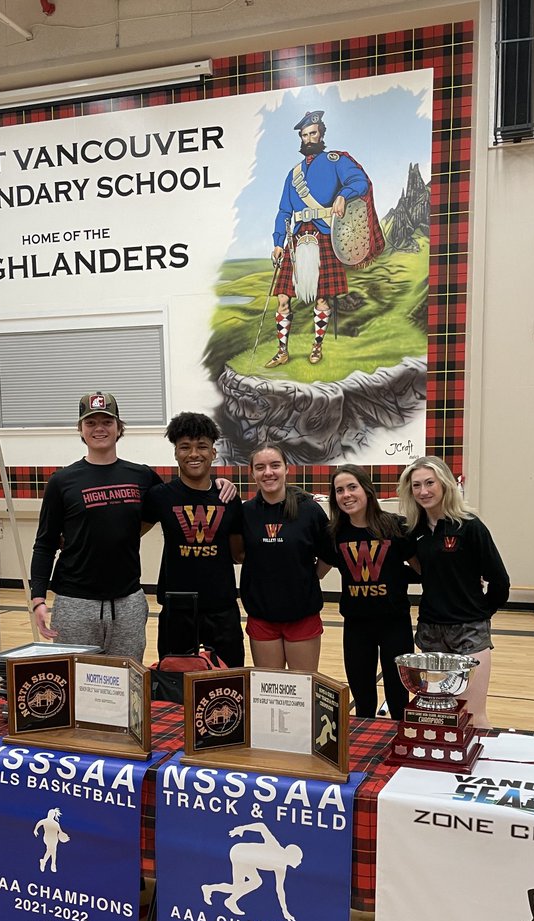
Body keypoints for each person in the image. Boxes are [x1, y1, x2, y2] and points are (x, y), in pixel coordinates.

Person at [29, 392, 162, 657]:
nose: (99, 428)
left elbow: (174, 501)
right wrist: (38, 599)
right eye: (91, 423)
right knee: (78, 682)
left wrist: (217, 485)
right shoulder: (62, 481)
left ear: (119, 427)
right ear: (80, 429)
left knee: (128, 682)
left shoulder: (142, 476)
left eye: (107, 421)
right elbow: (45, 543)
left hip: (128, 603)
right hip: (75, 602)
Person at [265, 109, 384, 369]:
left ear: (321, 134)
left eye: (313, 133)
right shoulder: (293, 173)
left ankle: (317, 346)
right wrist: (277, 242)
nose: (309, 139)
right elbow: (284, 210)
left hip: (325, 235)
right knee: (283, 298)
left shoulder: (336, 160)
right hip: (298, 238)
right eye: (305, 135)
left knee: (321, 299)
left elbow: (360, 181)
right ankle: (282, 350)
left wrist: (344, 194)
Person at [398, 456, 509, 728]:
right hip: (430, 631)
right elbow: (425, 572)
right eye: (416, 486)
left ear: (445, 484)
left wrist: (480, 614)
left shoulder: (469, 526)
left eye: (429, 483)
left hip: (469, 631)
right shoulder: (415, 531)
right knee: (437, 716)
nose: (423, 491)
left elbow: (500, 581)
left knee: (473, 716)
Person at [142, 411, 245, 666]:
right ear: (176, 453)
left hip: (221, 606)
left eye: (202, 446)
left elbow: (237, 554)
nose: (194, 454)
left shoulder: (229, 498)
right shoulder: (160, 496)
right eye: (185, 447)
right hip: (177, 607)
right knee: (175, 683)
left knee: (228, 681)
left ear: (213, 453)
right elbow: (128, 535)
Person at [317, 464, 414, 719]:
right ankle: (366, 750)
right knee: (363, 697)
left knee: (398, 695)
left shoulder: (396, 526)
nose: (346, 495)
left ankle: (399, 749)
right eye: (339, 490)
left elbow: (423, 569)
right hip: (357, 624)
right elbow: (317, 573)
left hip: (395, 623)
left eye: (352, 487)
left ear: (367, 490)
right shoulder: (334, 533)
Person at [239, 443, 328, 670]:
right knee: (271, 694)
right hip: (262, 616)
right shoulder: (245, 512)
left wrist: (310, 578)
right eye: (260, 467)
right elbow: (238, 554)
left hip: (302, 615)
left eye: (275, 465)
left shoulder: (308, 510)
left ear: (287, 469)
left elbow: (328, 553)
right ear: (252, 473)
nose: (268, 472)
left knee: (302, 690)